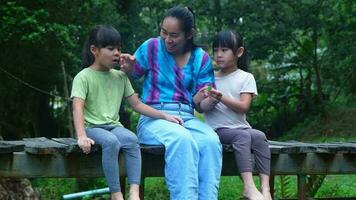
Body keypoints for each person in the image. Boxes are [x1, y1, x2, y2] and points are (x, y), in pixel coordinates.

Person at [120, 6, 222, 200]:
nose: (167, 39)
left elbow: (201, 105)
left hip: (186, 117)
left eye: (174, 35)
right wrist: (129, 68)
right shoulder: (151, 47)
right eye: (164, 32)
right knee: (181, 139)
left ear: (190, 34)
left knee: (210, 141)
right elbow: (132, 74)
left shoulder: (202, 58)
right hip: (154, 117)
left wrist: (210, 99)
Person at [71, 25, 182, 200]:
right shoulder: (83, 76)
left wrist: (165, 116)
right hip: (92, 127)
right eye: (110, 48)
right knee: (111, 142)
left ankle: (134, 192)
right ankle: (116, 193)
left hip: (114, 126)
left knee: (131, 139)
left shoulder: (120, 77)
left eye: (119, 48)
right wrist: (81, 135)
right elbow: (77, 107)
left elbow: (137, 105)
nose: (116, 52)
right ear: (94, 50)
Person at [204, 30, 272, 200]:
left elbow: (243, 107)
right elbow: (201, 107)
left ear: (239, 52)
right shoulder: (209, 78)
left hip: (240, 127)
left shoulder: (246, 77)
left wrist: (221, 97)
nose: (219, 55)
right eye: (216, 50)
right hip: (217, 130)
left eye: (224, 50)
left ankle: (265, 189)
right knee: (242, 136)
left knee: (260, 136)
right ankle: (248, 187)